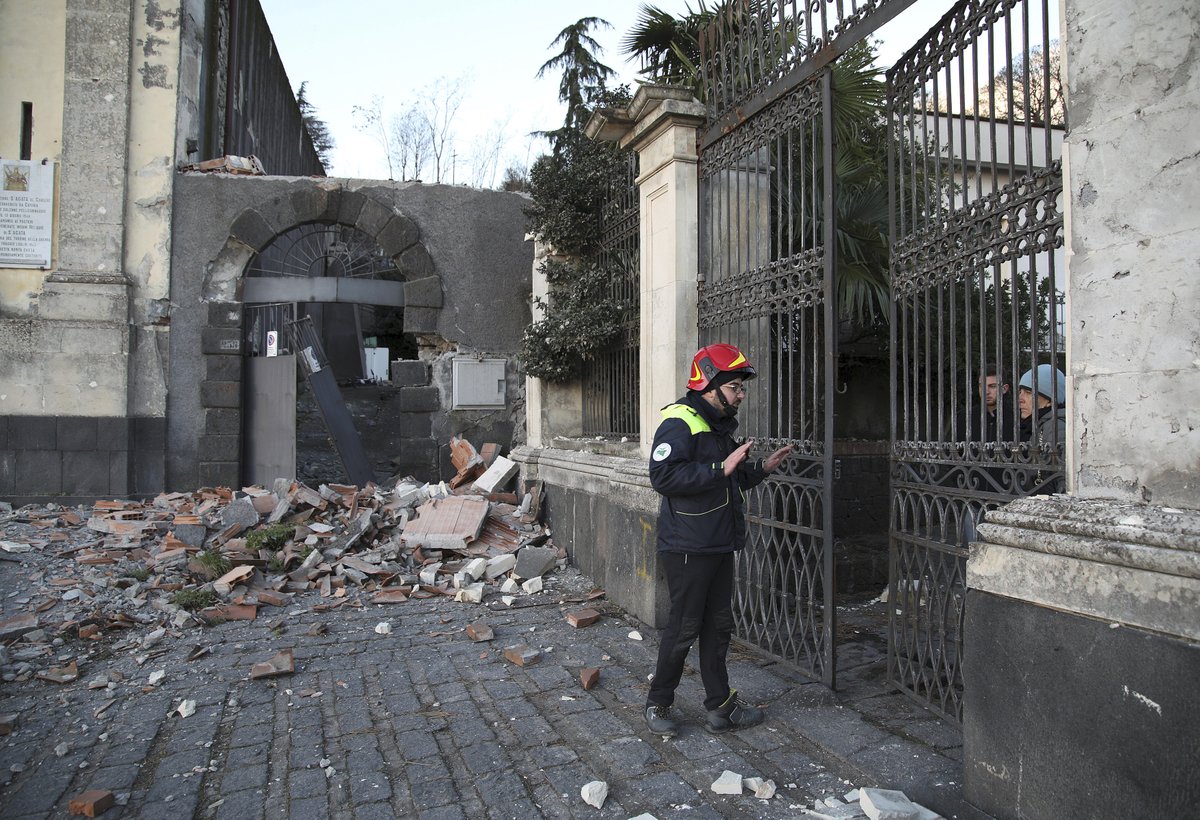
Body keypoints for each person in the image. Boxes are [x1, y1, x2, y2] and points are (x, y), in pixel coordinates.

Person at [643, 343, 794, 737]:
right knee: (684, 626)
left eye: (741, 388)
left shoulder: (719, 425)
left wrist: (761, 468)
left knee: (718, 626)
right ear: (710, 385)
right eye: (735, 387)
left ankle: (721, 707)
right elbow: (663, 478)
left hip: (718, 542)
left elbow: (731, 479)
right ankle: (658, 703)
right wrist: (718, 467)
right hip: (687, 546)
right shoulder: (680, 422)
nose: (741, 394)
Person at [1017, 364, 1067, 446]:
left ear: (1049, 401)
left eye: (1028, 393)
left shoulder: (1056, 427)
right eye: (1020, 392)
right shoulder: (1032, 426)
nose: (1020, 399)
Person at [969, 363, 1015, 443]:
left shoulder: (1016, 419)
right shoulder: (965, 417)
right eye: (982, 386)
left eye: (992, 386)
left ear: (1004, 389)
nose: (986, 392)